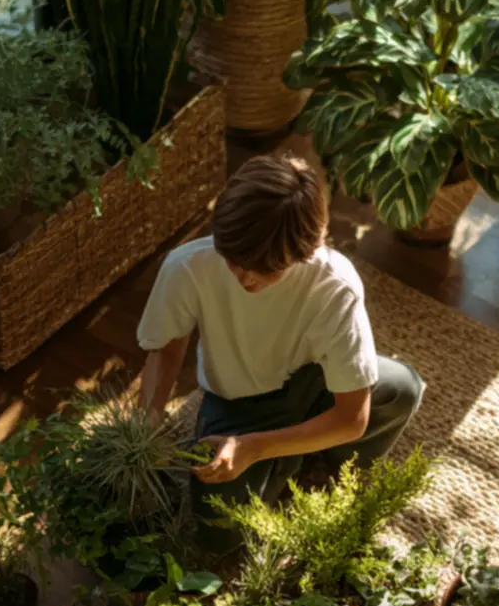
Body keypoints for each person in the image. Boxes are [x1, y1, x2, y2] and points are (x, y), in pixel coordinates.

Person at [136, 152, 426, 553]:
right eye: (233, 259)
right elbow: (167, 350)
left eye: (264, 268)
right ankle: (296, 454)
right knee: (218, 533)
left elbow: (352, 417)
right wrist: (148, 415)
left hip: (316, 384)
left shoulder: (334, 286)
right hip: (238, 402)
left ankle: (324, 465)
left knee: (402, 390)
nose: (242, 276)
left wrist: (255, 448)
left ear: (306, 252)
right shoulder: (188, 267)